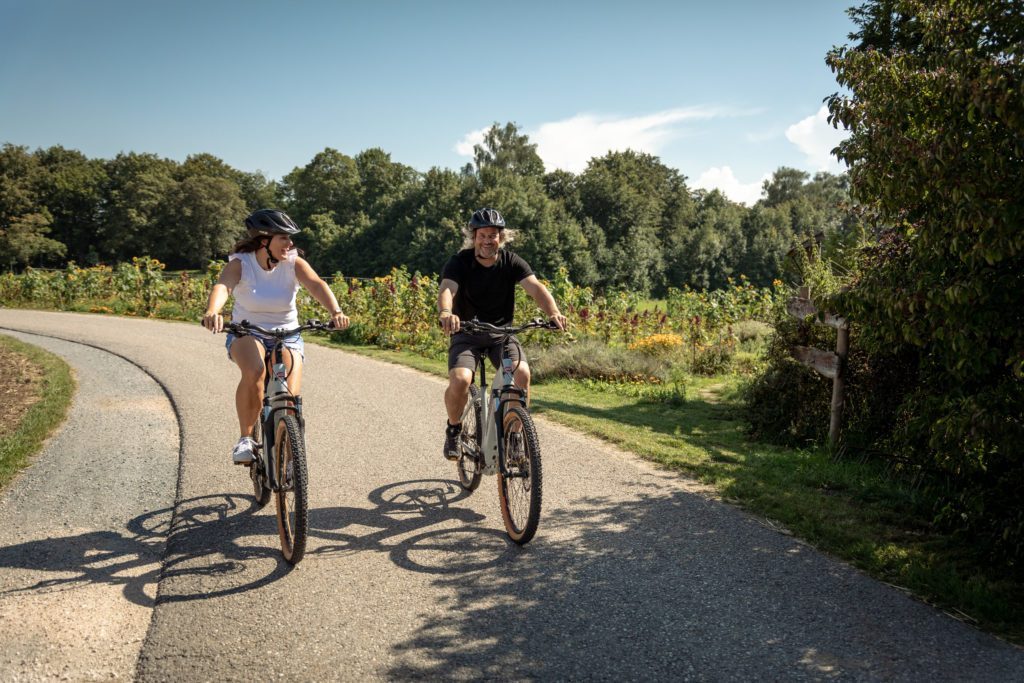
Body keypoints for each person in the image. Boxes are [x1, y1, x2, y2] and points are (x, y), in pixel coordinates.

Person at [201, 208, 350, 464]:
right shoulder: (241, 263)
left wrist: (336, 311)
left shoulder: (293, 263)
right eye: (284, 238)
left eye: (290, 238)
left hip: (288, 333)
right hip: (247, 331)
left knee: (289, 398)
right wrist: (213, 311)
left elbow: (316, 285)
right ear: (264, 240)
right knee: (256, 371)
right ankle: (246, 439)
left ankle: (291, 452)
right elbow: (223, 286)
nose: (290, 244)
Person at [437, 207, 567, 460]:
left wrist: (554, 313)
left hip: (502, 335)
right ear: (473, 237)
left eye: (493, 235)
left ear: (501, 237)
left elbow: (535, 287)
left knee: (522, 373)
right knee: (462, 379)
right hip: (467, 333)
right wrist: (445, 313)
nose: (488, 240)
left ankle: (516, 434)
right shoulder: (459, 262)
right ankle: (454, 428)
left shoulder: (511, 262)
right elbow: (447, 289)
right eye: (483, 235)